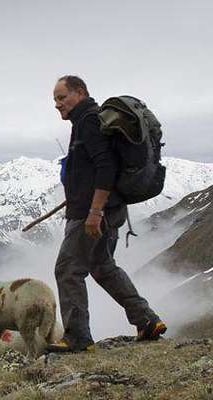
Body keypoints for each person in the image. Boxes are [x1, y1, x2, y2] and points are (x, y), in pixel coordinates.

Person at [46, 75, 166, 353]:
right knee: (103, 267)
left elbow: (106, 166)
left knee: (67, 270)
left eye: (62, 97)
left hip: (92, 213)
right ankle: (146, 320)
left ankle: (77, 337)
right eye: (55, 99)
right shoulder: (89, 121)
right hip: (110, 209)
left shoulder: (89, 120)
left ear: (80, 93)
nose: (57, 104)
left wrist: (94, 212)